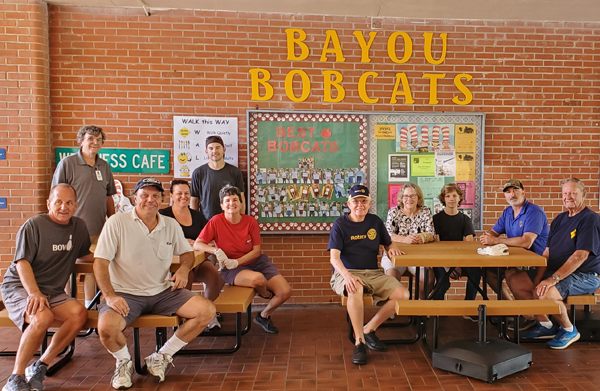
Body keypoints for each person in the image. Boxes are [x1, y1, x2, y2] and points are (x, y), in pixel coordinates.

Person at [94, 178, 215, 389]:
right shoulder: (116, 222)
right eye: (144, 195)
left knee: (206, 310)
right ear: (134, 198)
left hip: (163, 291)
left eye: (155, 196)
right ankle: (123, 362)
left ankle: (161, 356)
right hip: (126, 293)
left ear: (162, 199)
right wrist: (111, 296)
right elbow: (100, 263)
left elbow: (186, 253)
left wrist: (185, 269)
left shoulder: (170, 224)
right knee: (106, 328)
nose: (150, 200)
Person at [1, 184, 93, 391]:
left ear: (76, 205)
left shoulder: (79, 226)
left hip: (52, 291)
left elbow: (85, 255)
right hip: (20, 286)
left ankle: (40, 366)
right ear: (48, 204)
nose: (64, 207)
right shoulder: (33, 225)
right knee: (42, 317)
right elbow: (21, 262)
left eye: (69, 202)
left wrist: (114, 258)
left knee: (79, 313)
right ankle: (15, 377)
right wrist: (34, 292)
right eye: (58, 202)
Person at [507, 178, 600, 349]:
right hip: (555, 272)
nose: (568, 197)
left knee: (544, 293)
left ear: (584, 195)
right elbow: (547, 253)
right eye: (565, 193)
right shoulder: (559, 219)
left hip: (584, 275)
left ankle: (569, 329)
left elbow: (580, 257)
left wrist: (552, 279)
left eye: (573, 193)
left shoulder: (590, 219)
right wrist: (539, 278)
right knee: (516, 281)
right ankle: (546, 326)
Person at [194, 185, 292, 334]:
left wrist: (238, 261)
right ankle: (264, 293)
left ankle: (263, 315)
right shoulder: (216, 221)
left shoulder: (250, 222)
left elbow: (256, 251)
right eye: (227, 200)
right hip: (232, 268)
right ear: (221, 205)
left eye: (235, 200)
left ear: (240, 204)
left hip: (257, 262)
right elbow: (197, 243)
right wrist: (216, 250)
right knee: (258, 280)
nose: (231, 203)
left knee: (285, 292)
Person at [328, 185, 409, 365]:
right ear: (349, 203)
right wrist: (347, 276)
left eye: (364, 201)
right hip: (346, 273)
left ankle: (368, 329)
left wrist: (392, 248)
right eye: (356, 201)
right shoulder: (340, 225)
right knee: (355, 287)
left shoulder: (375, 222)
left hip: (373, 273)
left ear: (369, 203)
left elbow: (388, 243)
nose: (360, 205)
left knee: (403, 295)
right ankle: (359, 343)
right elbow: (334, 258)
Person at [52, 125, 116, 309]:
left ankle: (90, 307)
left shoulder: (104, 166)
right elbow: (56, 195)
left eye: (99, 140)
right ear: (81, 141)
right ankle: (62, 306)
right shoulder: (67, 164)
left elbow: (108, 197)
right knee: (65, 268)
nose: (95, 143)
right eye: (90, 139)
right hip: (69, 229)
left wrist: (111, 223)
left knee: (92, 269)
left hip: (97, 230)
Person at [480, 179, 549, 328]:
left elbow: (526, 242)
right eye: (508, 192)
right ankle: (512, 309)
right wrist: (488, 236)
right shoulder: (508, 212)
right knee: (489, 273)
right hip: (513, 260)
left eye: (515, 190)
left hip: (535, 263)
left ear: (523, 192)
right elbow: (494, 232)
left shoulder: (534, 211)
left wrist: (496, 241)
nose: (512, 194)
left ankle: (531, 317)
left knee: (511, 274)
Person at [159, 179, 224, 330]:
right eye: (179, 193)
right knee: (186, 277)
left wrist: (197, 243)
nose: (183, 196)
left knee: (215, 276)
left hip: (197, 261)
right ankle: (182, 320)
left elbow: (212, 239)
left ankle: (209, 313)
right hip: (172, 265)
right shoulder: (163, 215)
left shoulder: (198, 216)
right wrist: (181, 242)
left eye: (186, 193)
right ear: (171, 196)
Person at [380, 183, 435, 296]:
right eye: (406, 196)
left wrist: (422, 237)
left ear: (418, 197)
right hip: (395, 254)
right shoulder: (394, 212)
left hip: (419, 256)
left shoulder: (425, 211)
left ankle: (420, 306)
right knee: (391, 278)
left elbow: (432, 234)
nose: (409, 199)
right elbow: (387, 234)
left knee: (428, 279)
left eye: (412, 196)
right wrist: (405, 239)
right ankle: (393, 309)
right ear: (401, 198)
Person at [432, 183, 480, 304]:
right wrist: (447, 265)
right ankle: (436, 309)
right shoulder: (436, 219)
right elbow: (437, 246)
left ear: (459, 198)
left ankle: (468, 305)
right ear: (443, 199)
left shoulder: (465, 219)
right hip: (441, 260)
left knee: (476, 272)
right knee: (443, 281)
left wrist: (458, 263)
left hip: (461, 258)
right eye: (448, 196)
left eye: (454, 195)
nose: (452, 199)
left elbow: (469, 245)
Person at [190, 135, 245, 221]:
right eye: (211, 148)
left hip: (230, 222)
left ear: (224, 150)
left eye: (218, 147)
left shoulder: (235, 172)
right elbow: (194, 200)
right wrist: (195, 223)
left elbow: (241, 198)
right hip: (206, 222)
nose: (214, 151)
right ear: (206, 151)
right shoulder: (198, 173)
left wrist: (240, 221)